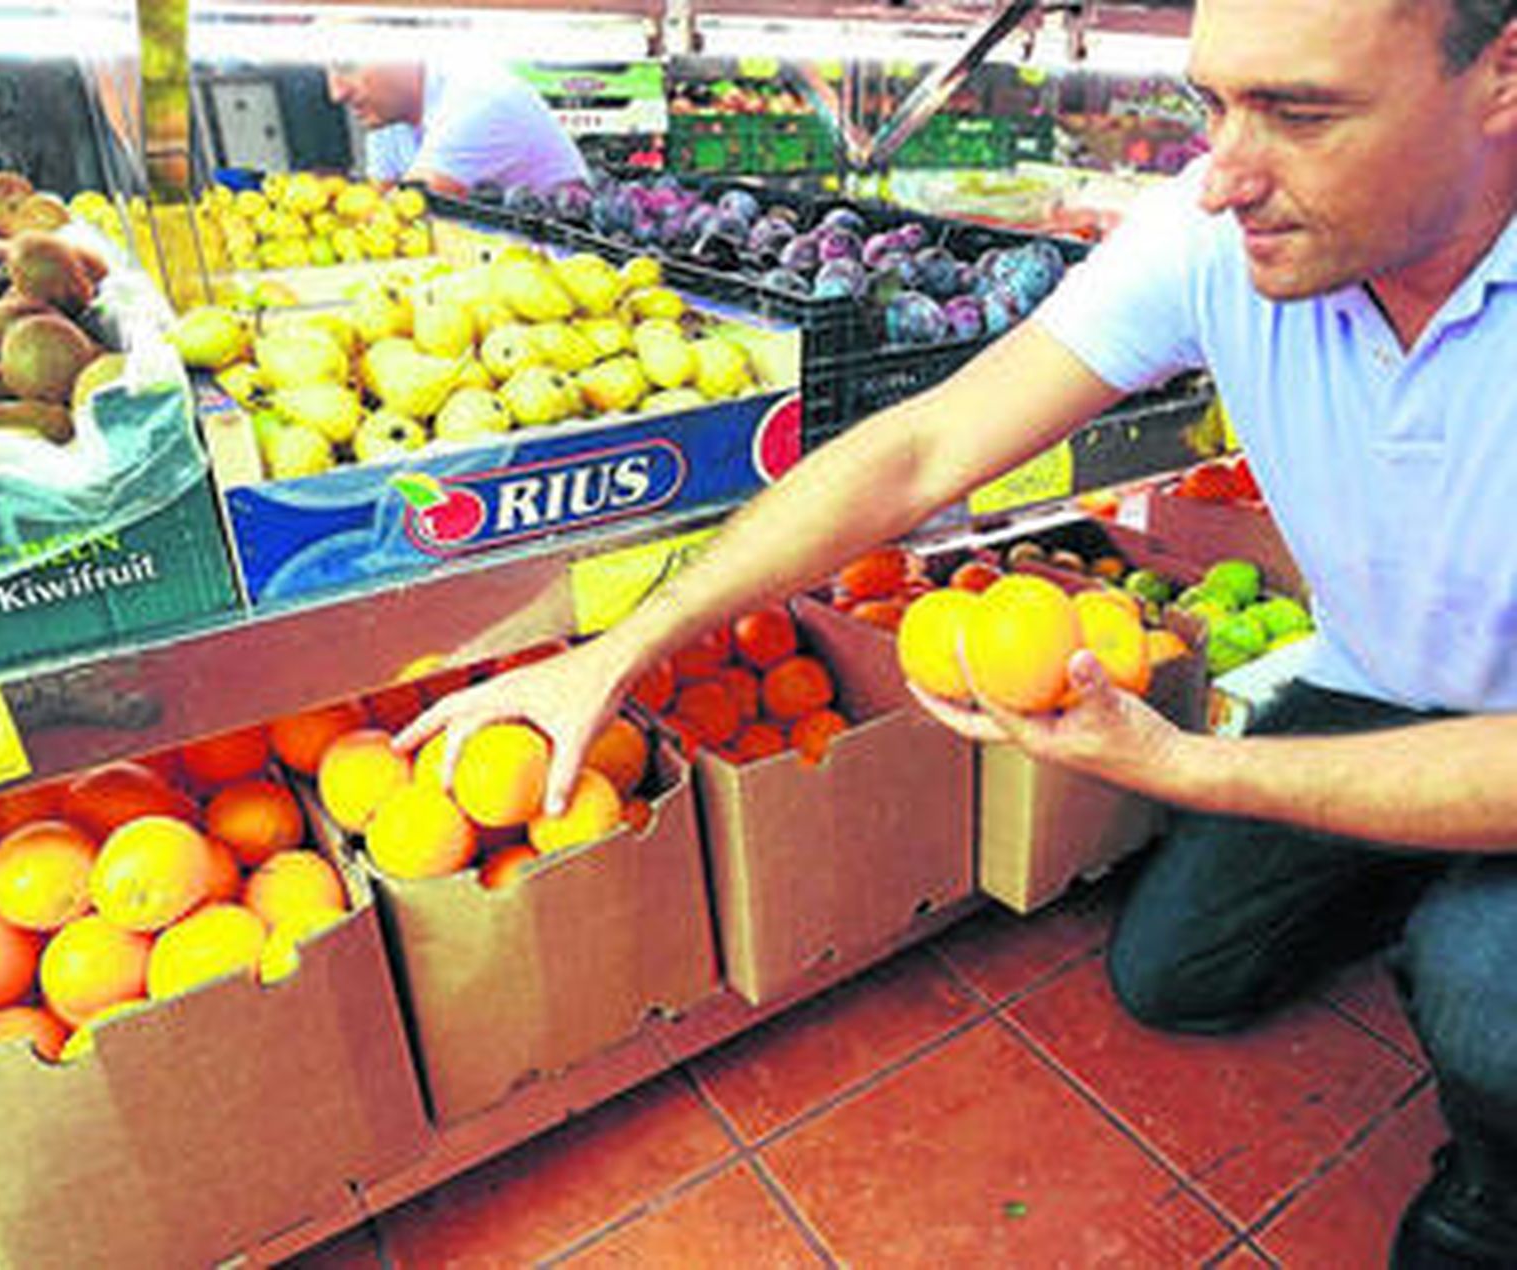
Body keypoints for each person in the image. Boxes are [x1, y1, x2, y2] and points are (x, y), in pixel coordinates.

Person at [396, 2, 1517, 1263]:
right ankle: (1424, 862)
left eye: (1302, 113)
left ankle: (1491, 1189)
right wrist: (622, 649)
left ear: (1500, 74)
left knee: (1490, 995)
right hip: (1374, 684)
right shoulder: (1220, 237)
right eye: (1212, 104)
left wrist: (1188, 766)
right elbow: (923, 444)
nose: (1226, 175)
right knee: (1172, 976)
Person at [325, 58, 588, 197]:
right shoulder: (387, 115)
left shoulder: (479, 98)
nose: (337, 93)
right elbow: (377, 216)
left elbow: (406, 215)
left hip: (559, 284)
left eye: (348, 67)